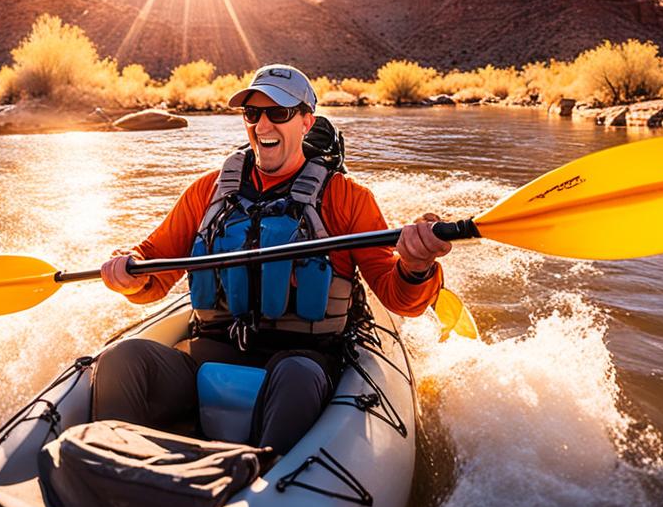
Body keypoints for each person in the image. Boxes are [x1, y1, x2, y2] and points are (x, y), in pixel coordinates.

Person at [92, 64, 452, 454]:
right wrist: (128, 272)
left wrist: (417, 267)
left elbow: (398, 298)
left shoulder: (348, 199)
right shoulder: (206, 192)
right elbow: (153, 270)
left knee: (295, 376)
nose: (263, 125)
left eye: (278, 113)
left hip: (305, 361)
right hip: (210, 353)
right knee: (121, 358)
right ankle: (111, 466)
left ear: (305, 121)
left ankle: (262, 486)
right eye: (252, 113)